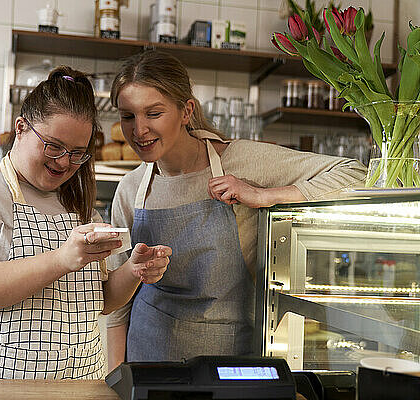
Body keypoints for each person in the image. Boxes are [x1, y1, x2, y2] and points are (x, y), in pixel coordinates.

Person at [105, 51, 367, 369]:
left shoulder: (242, 161)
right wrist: (114, 378)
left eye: (154, 113)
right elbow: (117, 307)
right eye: (128, 116)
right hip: (146, 361)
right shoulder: (130, 189)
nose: (139, 130)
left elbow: (357, 173)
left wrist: (265, 195)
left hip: (228, 365)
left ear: (186, 110)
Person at [0, 66, 171, 380]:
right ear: (21, 128)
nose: (63, 162)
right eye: (53, 145)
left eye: (77, 153)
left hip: (79, 387)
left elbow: (100, 300)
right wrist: (62, 259)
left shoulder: (81, 208)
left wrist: (133, 271)